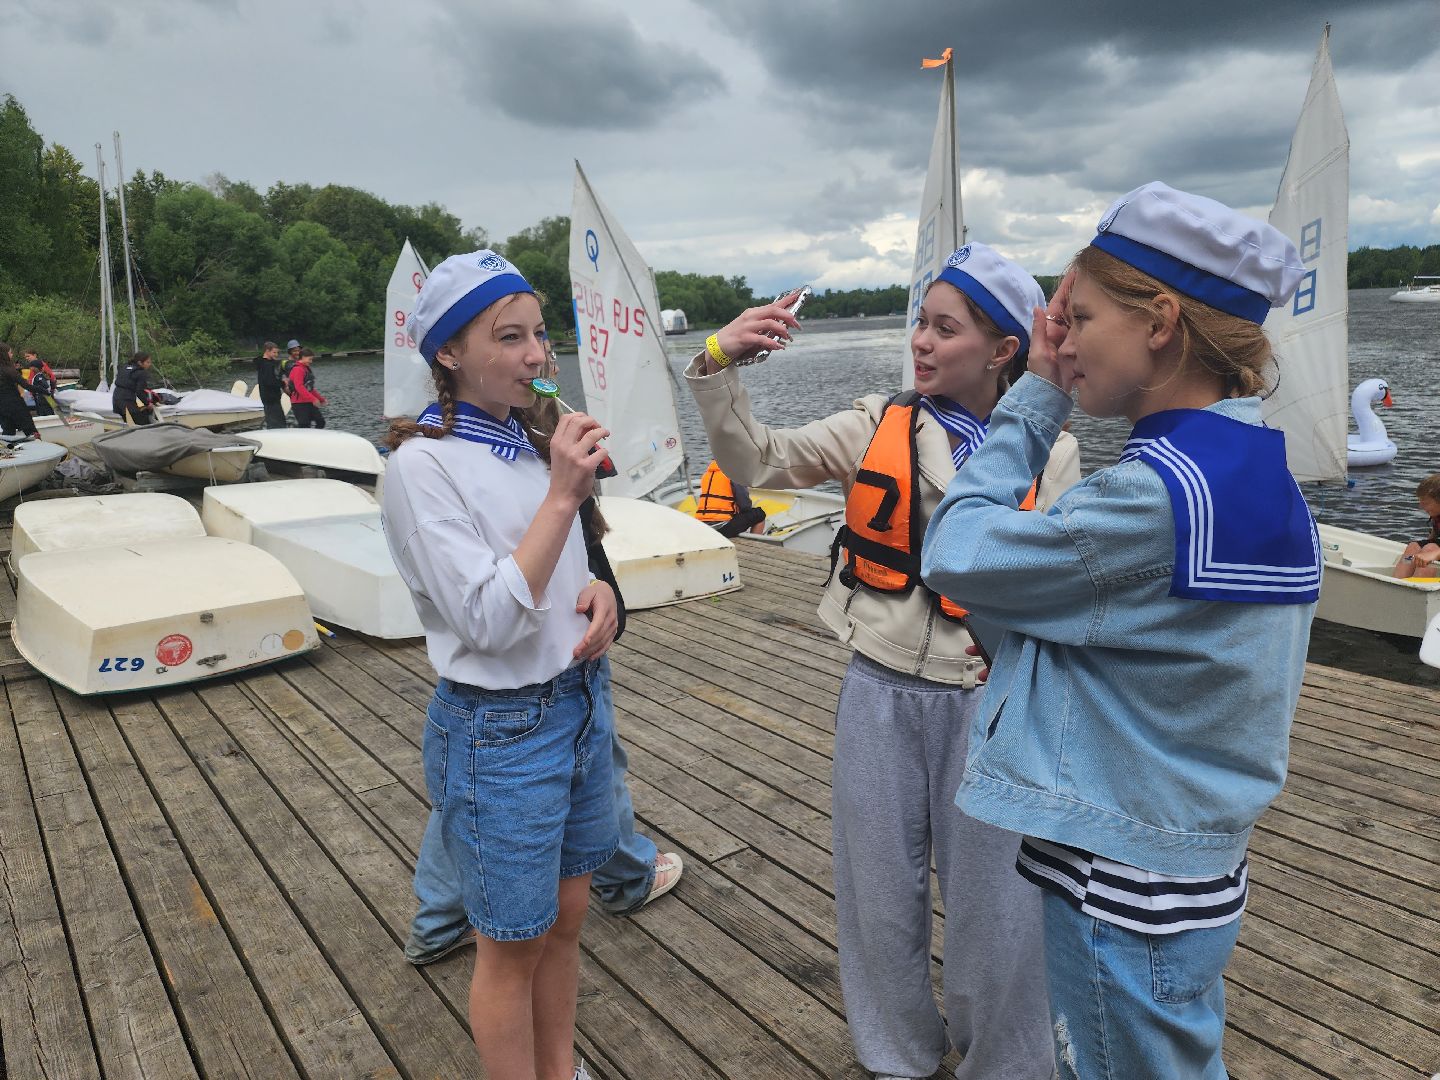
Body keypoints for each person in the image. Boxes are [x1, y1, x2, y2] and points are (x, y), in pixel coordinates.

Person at [922, 182, 1316, 1079]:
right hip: (1189, 860)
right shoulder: (1253, 470)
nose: (1062, 340)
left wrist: (1033, 397)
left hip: (1123, 875)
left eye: (1080, 316)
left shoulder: (1149, 496)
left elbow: (956, 551)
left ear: (1161, 322)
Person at [686, 243, 1080, 1080]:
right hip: (880, 685)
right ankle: (895, 1053)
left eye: (946, 328)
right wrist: (720, 361)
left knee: (1001, 904)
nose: (922, 344)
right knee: (878, 891)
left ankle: (1005, 1059)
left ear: (1006, 349)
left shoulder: (1057, 455)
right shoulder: (876, 421)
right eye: (920, 325)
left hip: (993, 697)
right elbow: (757, 458)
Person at [381, 250, 617, 1080]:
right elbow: (484, 619)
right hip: (501, 731)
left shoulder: (531, 441)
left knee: (568, 913)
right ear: (448, 353)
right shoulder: (422, 466)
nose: (535, 356)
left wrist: (603, 594)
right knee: (510, 944)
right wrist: (562, 493)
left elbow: (569, 567)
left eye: (540, 336)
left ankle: (561, 1069)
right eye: (508, 337)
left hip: (581, 703)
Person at [694, 459, 768, 537]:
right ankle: (754, 543)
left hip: (702, 525)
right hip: (721, 528)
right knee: (759, 514)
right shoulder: (733, 474)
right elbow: (745, 505)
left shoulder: (706, 475)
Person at [1393, 473, 1440, 578]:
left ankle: (1418, 588)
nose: (1421, 507)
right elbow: (1435, 533)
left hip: (1435, 552)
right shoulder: (1436, 514)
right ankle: (1398, 582)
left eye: (1426, 503)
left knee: (1429, 549)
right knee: (1413, 548)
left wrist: (1435, 554)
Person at [0, 344, 39, 437]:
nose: (12, 355)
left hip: (2, 407)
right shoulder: (9, 370)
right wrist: (45, 391)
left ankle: (9, 449)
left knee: (8, 430)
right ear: (4, 354)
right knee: (30, 430)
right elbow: (26, 385)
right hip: (15, 404)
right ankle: (38, 445)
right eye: (10, 353)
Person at [112, 350, 155, 426]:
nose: (150, 364)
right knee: (143, 424)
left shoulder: (124, 367)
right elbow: (139, 392)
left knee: (129, 423)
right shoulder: (141, 373)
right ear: (140, 363)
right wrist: (148, 403)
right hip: (126, 401)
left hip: (116, 400)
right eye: (147, 362)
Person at [287, 347, 327, 428]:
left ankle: (314, 438)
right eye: (310, 359)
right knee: (304, 426)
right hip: (299, 404)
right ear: (303, 357)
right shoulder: (298, 369)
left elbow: (310, 389)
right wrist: (313, 399)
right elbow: (299, 387)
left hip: (308, 402)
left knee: (321, 422)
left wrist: (321, 399)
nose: (311, 361)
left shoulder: (305, 369)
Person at [255, 341, 289, 428]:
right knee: (278, 424)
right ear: (267, 351)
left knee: (275, 421)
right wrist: (283, 382)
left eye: (277, 352)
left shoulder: (264, 363)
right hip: (271, 398)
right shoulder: (267, 365)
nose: (276, 354)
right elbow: (269, 381)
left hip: (269, 397)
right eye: (274, 352)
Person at [20, 349, 55, 416]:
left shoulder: (41, 367)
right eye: (25, 357)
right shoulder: (36, 370)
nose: (27, 358)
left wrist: (49, 391)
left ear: (35, 355)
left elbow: (51, 379)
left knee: (47, 412)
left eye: (28, 356)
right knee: (44, 411)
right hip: (40, 395)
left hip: (43, 396)